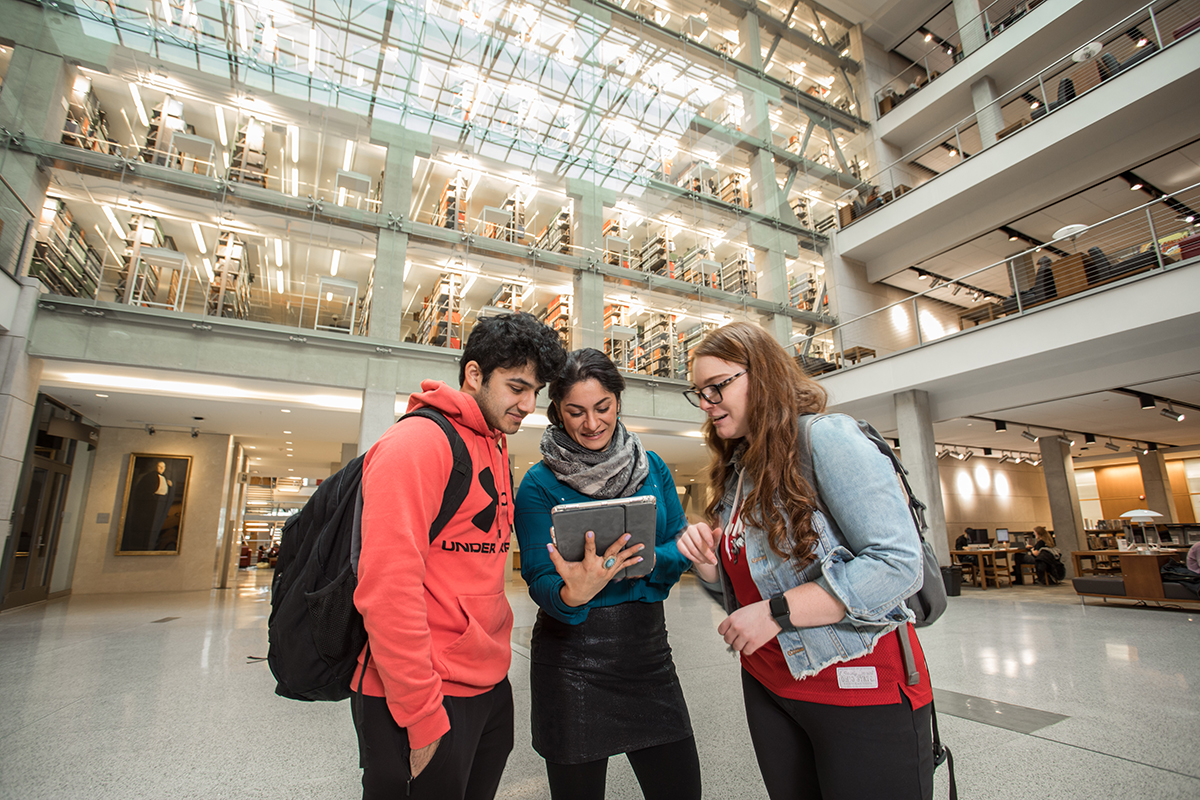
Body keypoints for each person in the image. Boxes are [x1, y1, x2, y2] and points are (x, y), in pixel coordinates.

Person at [675, 322, 934, 800]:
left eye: (717, 387)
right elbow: (746, 594)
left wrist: (778, 612)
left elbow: (897, 562)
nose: (707, 403)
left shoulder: (827, 438)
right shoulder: (738, 469)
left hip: (858, 686)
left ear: (764, 375)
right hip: (771, 683)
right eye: (699, 393)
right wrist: (711, 567)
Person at [351, 311, 567, 800]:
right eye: (516, 387)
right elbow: (387, 588)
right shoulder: (418, 443)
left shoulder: (492, 444)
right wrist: (422, 715)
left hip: (486, 685)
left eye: (535, 391)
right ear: (474, 374)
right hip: (419, 696)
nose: (528, 405)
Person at [514, 348, 701, 800]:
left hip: (648, 653)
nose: (592, 423)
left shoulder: (651, 466)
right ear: (556, 410)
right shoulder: (538, 484)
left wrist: (654, 563)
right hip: (570, 662)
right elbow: (540, 578)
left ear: (618, 400)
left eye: (603, 407)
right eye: (575, 411)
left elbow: (678, 545)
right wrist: (574, 593)